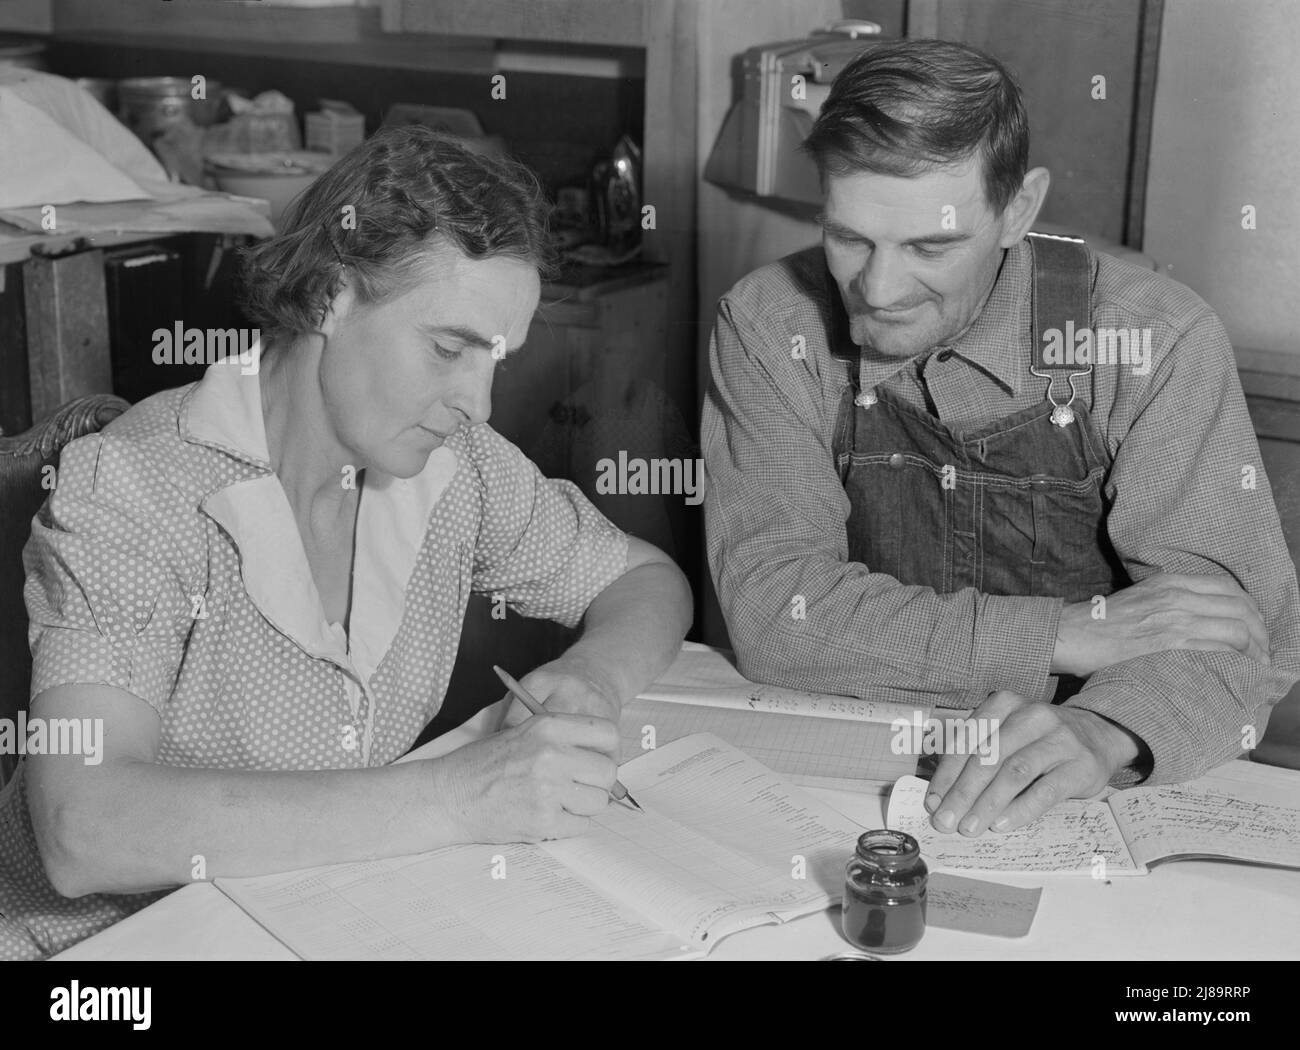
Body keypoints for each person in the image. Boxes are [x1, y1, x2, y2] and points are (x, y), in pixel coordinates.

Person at [0, 125, 692, 959]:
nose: (479, 403)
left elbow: (649, 583)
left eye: (496, 360)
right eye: (447, 348)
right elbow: (84, 826)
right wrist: (457, 797)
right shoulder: (137, 487)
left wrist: (591, 677)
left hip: (304, 920)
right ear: (331, 293)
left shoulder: (457, 469)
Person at [703, 39, 1300, 839]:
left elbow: (1237, 647)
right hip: (842, 765)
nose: (876, 293)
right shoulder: (770, 326)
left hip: (1079, 794)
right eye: (849, 238)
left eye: (930, 246)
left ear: (1018, 209)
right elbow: (779, 615)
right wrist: (1070, 631)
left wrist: (1103, 733)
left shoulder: (1152, 339)